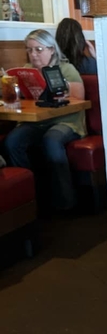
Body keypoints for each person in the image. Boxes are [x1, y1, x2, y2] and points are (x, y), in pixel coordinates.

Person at [2, 29, 86, 212]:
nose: (33, 54)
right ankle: (31, 197)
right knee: (12, 141)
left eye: (38, 49)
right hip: (37, 121)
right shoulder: (26, 70)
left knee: (51, 140)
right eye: (29, 50)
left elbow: (79, 96)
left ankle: (66, 201)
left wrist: (61, 88)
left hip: (66, 121)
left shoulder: (66, 69)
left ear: (52, 49)